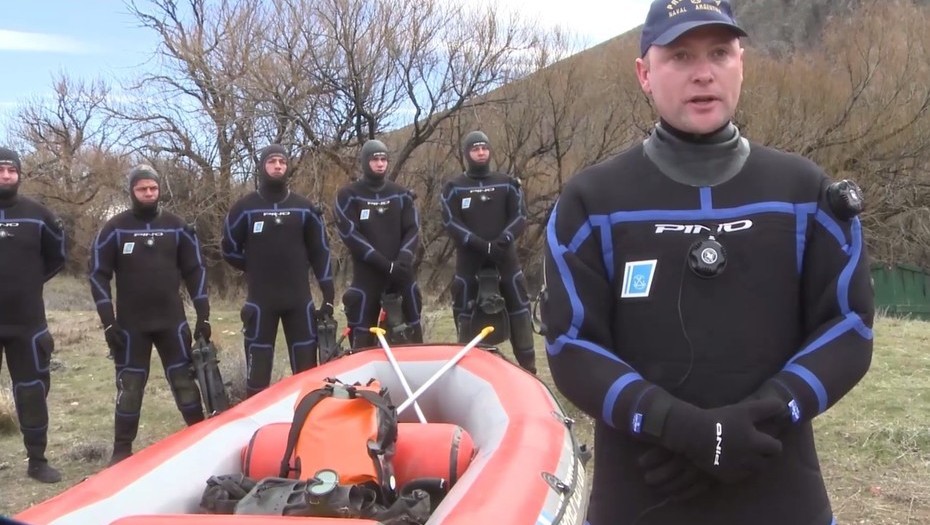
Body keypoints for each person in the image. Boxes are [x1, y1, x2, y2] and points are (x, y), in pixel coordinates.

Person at [541, 1, 874, 524]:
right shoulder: (591, 201)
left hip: (779, 488)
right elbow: (570, 344)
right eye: (680, 56)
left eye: (719, 53)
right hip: (643, 492)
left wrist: (752, 422)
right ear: (644, 74)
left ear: (742, 63)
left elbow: (850, 325)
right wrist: (680, 428)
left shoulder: (804, 191)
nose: (703, 73)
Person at [89, 164, 209, 466]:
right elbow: (98, 274)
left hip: (172, 322)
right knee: (130, 386)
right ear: (132, 191)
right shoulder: (115, 228)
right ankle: (121, 450)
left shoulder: (177, 226)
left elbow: (195, 271)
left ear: (159, 190)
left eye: (153, 188)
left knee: (184, 381)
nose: (148, 193)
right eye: (142, 188)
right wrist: (108, 323)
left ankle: (201, 439)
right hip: (131, 326)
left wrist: (203, 316)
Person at [222, 144, 334, 397]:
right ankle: (257, 421)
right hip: (261, 303)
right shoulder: (244, 208)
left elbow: (320, 252)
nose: (277, 166)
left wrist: (328, 295)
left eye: (282, 162)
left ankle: (305, 417)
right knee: (257, 380)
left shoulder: (304, 208)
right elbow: (228, 249)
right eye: (272, 161)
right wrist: (254, 266)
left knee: (307, 376)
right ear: (262, 166)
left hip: (299, 301)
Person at [440, 131, 536, 374]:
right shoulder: (453, 188)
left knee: (520, 315)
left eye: (484, 148)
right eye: (475, 149)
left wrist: (502, 240)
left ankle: (529, 373)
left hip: (506, 261)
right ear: (467, 153)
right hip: (469, 263)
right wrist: (479, 244)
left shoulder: (507, 183)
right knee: (465, 318)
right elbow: (450, 222)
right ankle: (468, 373)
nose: (481, 153)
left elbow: (520, 216)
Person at [0, 147, 66, 483]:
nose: (6, 175)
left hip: (27, 323)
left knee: (32, 393)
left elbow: (56, 257)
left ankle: (37, 461)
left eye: (11, 170)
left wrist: (26, 283)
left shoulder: (38, 215)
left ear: (19, 174)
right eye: (0, 170)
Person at [334, 139, 423, 349]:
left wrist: (403, 259)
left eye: (384, 159)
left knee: (412, 340)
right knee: (362, 345)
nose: (380, 163)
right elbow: (350, 235)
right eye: (375, 159)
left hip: (401, 275)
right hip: (367, 280)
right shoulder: (349, 196)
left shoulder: (401, 194)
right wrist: (386, 265)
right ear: (365, 162)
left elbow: (412, 229)